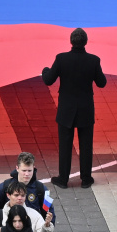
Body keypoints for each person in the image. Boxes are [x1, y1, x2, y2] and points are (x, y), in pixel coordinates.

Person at [42, 28, 106, 188]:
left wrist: (44, 71)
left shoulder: (62, 59)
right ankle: (86, 179)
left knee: (65, 145)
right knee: (86, 145)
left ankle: (63, 179)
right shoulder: (94, 60)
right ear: (85, 42)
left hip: (66, 109)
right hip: (85, 108)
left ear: (71, 41)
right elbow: (102, 83)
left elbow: (49, 80)